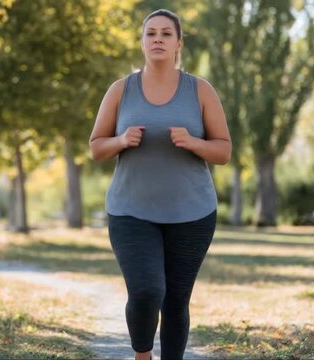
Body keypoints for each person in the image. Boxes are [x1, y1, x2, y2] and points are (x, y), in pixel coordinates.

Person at [89, 8, 231, 360]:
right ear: (141, 42)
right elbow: (95, 147)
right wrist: (121, 140)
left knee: (176, 301)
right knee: (147, 291)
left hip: (193, 213)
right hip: (131, 211)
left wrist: (194, 143)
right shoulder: (121, 90)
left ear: (179, 43)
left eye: (166, 33)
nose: (158, 39)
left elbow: (224, 150)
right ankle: (142, 354)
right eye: (150, 33)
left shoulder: (200, 90)